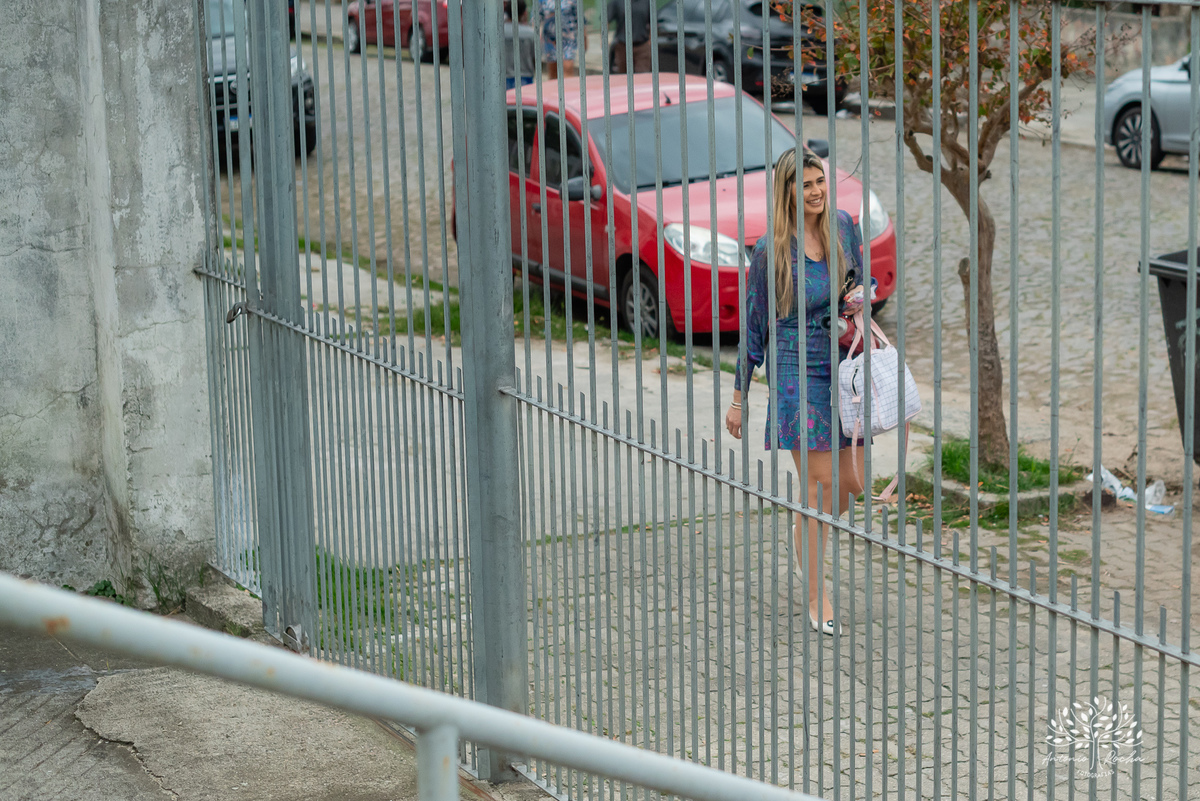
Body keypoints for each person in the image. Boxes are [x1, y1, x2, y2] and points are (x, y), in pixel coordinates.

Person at [726, 147, 874, 636]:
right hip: (794, 372)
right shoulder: (772, 250)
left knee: (849, 487)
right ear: (786, 191)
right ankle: (816, 592)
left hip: (843, 366)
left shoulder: (844, 226)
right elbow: (753, 326)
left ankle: (803, 534)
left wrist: (858, 296)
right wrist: (739, 397)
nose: (815, 192)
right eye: (804, 184)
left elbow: (860, 279)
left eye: (819, 182)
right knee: (818, 485)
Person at [607, 0, 652, 74]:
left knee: (642, 76)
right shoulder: (617, 2)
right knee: (623, 77)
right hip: (623, 46)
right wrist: (605, 40)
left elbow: (652, 22)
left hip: (642, 45)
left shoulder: (646, 2)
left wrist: (650, 40)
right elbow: (606, 20)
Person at [539, 0, 579, 79]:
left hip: (568, 38)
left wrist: (584, 36)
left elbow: (578, 16)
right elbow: (537, 17)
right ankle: (555, 91)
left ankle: (569, 90)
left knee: (568, 67)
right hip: (550, 40)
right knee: (553, 71)